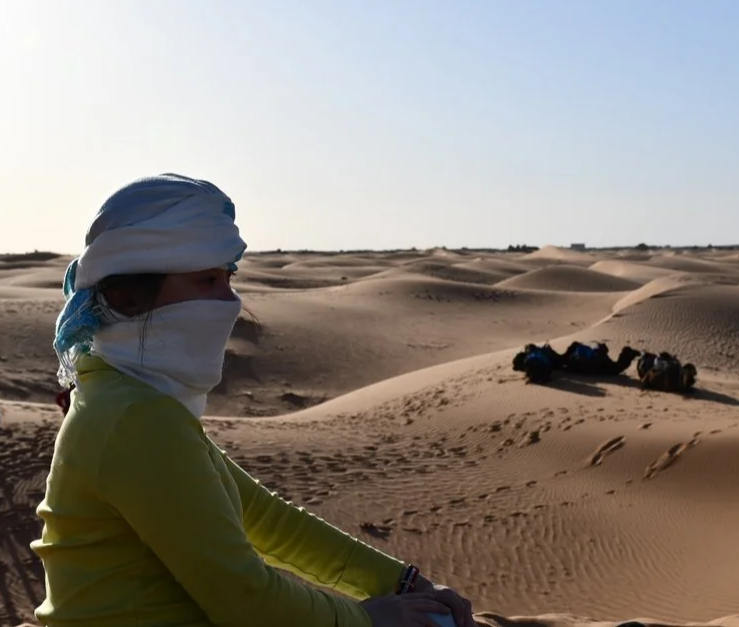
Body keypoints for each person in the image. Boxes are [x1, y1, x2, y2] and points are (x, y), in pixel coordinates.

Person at [30, 174, 475, 627]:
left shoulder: (129, 397)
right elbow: (245, 600)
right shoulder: (136, 417)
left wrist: (402, 583)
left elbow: (266, 520)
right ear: (131, 295)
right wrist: (369, 621)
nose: (231, 302)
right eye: (207, 280)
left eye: (229, 278)